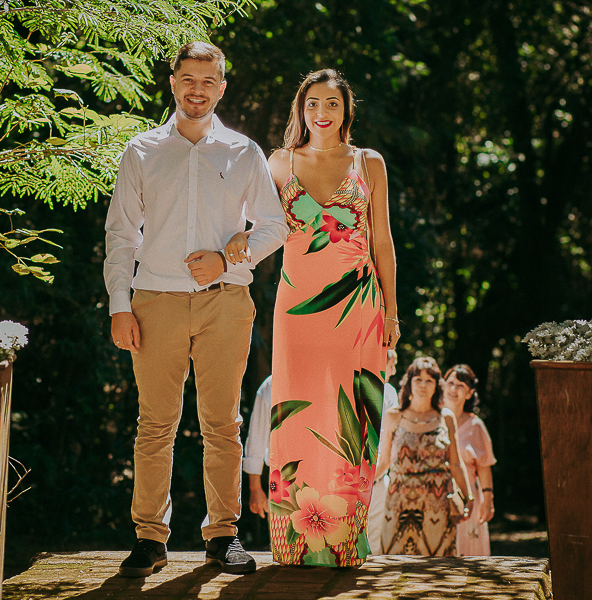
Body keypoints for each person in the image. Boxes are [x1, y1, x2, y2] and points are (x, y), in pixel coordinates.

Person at [104, 41, 289, 577]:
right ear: (173, 82)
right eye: (188, 78)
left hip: (225, 304)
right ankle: (149, 539)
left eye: (208, 81)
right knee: (154, 425)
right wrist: (120, 304)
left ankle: (223, 535)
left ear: (222, 87)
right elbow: (121, 234)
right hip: (154, 302)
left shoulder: (243, 152)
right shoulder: (141, 151)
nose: (197, 89)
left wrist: (233, 255)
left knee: (222, 424)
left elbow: (274, 226)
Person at [225, 68, 399, 567]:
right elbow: (254, 224)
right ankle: (296, 542)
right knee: (298, 414)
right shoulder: (278, 162)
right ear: (301, 110)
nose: (321, 114)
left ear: (347, 111)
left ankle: (346, 542)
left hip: (357, 306)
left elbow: (383, 243)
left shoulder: (369, 164)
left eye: (333, 104)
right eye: (313, 104)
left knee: (352, 416)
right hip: (296, 307)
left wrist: (392, 310)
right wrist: (237, 239)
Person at [375, 356, 473, 556]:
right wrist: (360, 489)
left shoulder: (445, 417)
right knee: (394, 566)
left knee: (436, 568)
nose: (423, 385)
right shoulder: (394, 416)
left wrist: (468, 496)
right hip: (398, 502)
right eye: (418, 379)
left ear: (437, 385)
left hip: (437, 506)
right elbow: (384, 461)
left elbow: (455, 463)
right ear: (409, 383)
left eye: (429, 380)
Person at [443, 364, 496, 556]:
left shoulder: (476, 426)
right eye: (450, 383)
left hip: (468, 497)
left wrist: (488, 500)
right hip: (437, 493)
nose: (453, 389)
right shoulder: (433, 419)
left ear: (469, 393)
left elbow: (484, 467)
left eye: (460, 386)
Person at [366, 348, 400, 552]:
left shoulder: (390, 392)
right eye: (392, 365)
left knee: (375, 540)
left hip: (377, 477)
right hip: (357, 477)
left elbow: (392, 437)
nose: (394, 371)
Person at [243, 375, 272, 518]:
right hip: (282, 478)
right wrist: (255, 488)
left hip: (327, 476)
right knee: (284, 537)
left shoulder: (330, 378)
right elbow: (257, 438)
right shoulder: (271, 384)